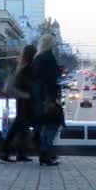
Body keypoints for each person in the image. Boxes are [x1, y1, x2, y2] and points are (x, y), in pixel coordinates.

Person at [0, 45, 38, 163]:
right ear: (33, 55)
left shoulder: (21, 65)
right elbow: (27, 84)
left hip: (21, 100)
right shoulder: (28, 67)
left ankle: (19, 153)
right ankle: (5, 151)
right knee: (19, 126)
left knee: (22, 128)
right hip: (25, 100)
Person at [32, 34, 64, 166]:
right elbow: (52, 77)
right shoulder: (49, 57)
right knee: (52, 125)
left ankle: (44, 154)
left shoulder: (37, 57)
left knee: (42, 126)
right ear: (51, 44)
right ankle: (45, 155)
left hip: (38, 96)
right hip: (47, 95)